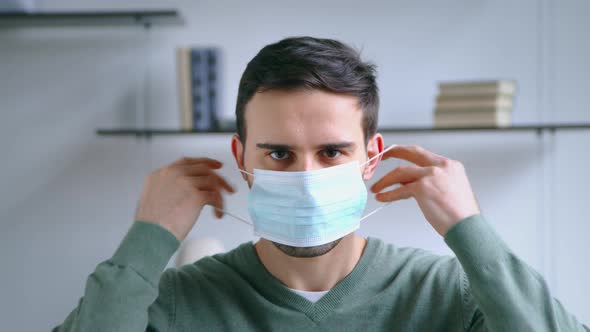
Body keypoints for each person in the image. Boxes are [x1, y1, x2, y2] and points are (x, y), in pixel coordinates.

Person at [53, 36, 588, 331]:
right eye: (279, 154)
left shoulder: (452, 294)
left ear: (370, 158)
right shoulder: (172, 303)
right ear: (241, 159)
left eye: (332, 152)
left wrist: (471, 229)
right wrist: (148, 238)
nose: (307, 179)